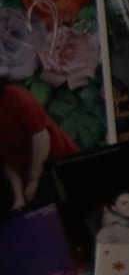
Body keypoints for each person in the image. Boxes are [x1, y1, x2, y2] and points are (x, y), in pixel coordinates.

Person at [0, 81, 79, 212]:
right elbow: (7, 161)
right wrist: (18, 196)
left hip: (58, 163)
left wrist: (34, 178)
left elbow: (41, 136)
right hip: (28, 177)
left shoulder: (14, 95)